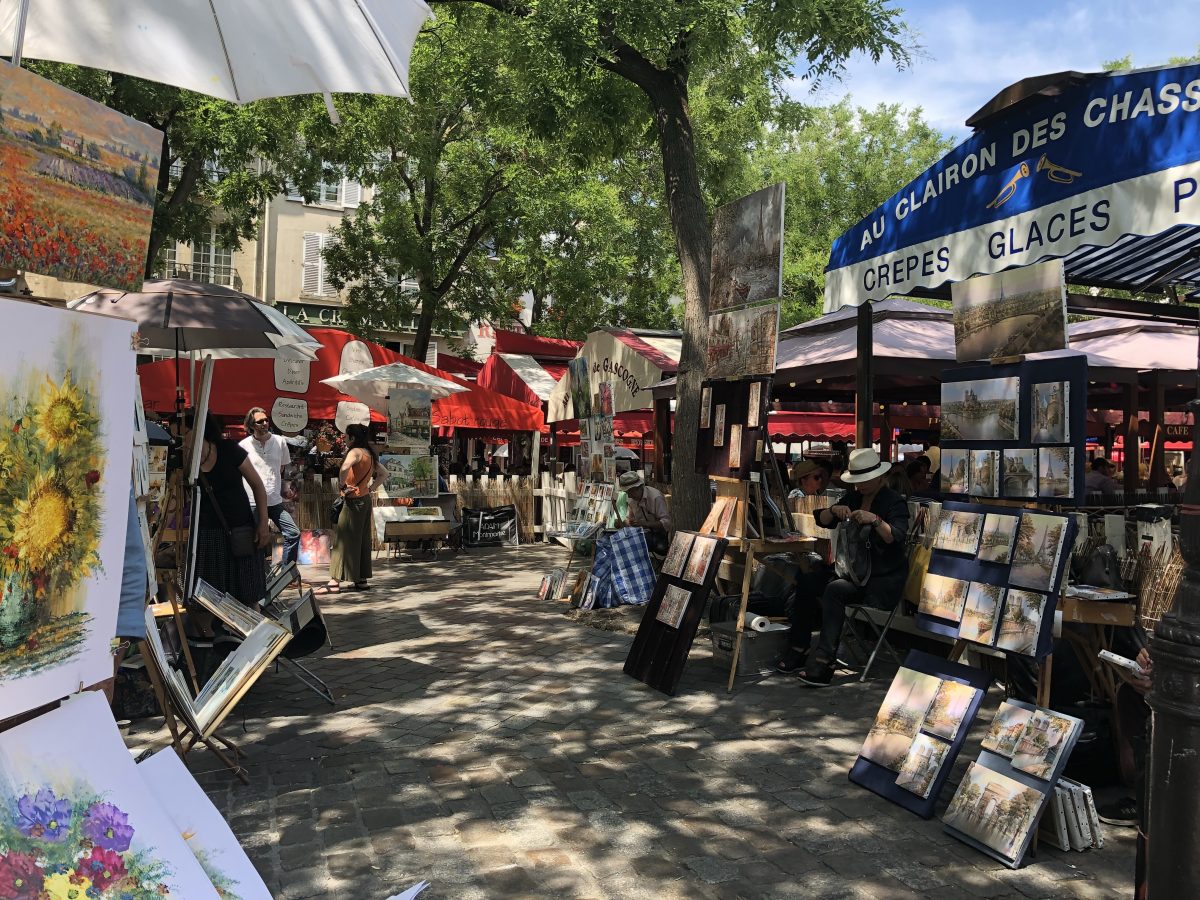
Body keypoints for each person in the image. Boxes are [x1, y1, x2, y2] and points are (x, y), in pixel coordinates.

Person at [795, 448, 910, 686]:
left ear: (879, 477)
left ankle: (824, 662)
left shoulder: (894, 502)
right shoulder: (854, 497)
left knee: (835, 590)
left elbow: (895, 537)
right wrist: (832, 510)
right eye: (857, 481)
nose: (860, 486)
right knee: (807, 579)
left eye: (864, 481)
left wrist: (876, 520)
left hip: (880, 580)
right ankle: (798, 648)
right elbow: (821, 519)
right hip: (851, 571)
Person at [190, 412, 270, 607]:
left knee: (248, 592)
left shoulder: (229, 449)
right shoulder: (184, 461)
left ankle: (253, 635)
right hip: (207, 534)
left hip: (240, 530)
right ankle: (219, 635)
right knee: (210, 597)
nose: (182, 439)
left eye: (185, 432)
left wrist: (263, 524)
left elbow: (258, 486)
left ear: (200, 430)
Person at [324, 423, 386, 593]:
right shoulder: (370, 454)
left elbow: (344, 468)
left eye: (346, 436)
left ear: (352, 437)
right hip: (365, 500)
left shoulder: (355, 452)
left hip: (353, 500)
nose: (344, 439)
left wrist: (343, 486)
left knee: (344, 539)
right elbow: (384, 473)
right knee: (362, 540)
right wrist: (372, 488)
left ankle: (334, 582)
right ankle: (361, 580)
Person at [239, 407, 300, 570]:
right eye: (260, 421)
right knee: (257, 540)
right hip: (252, 500)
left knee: (293, 533)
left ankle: (287, 573)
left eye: (266, 420)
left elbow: (280, 467)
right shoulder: (243, 445)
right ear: (251, 425)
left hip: (274, 500)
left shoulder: (279, 441)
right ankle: (259, 574)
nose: (265, 423)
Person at [617, 470, 671, 554]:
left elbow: (666, 523)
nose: (629, 495)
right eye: (627, 492)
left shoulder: (656, 497)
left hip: (657, 535)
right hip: (640, 534)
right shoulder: (631, 499)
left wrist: (644, 523)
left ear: (638, 487)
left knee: (632, 545)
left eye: (630, 492)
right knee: (617, 541)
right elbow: (629, 519)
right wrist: (623, 522)